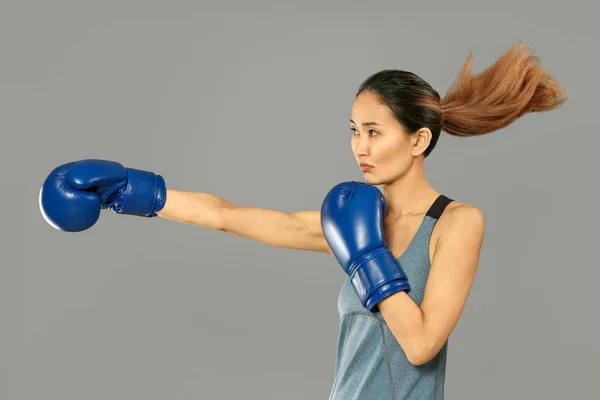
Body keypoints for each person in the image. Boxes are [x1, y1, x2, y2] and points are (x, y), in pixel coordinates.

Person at [39, 41, 567, 399]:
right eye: (353, 130)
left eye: (374, 132)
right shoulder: (350, 219)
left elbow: (423, 344)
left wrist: (366, 257)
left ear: (419, 139)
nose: (359, 147)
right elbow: (225, 215)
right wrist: (129, 190)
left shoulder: (457, 222)